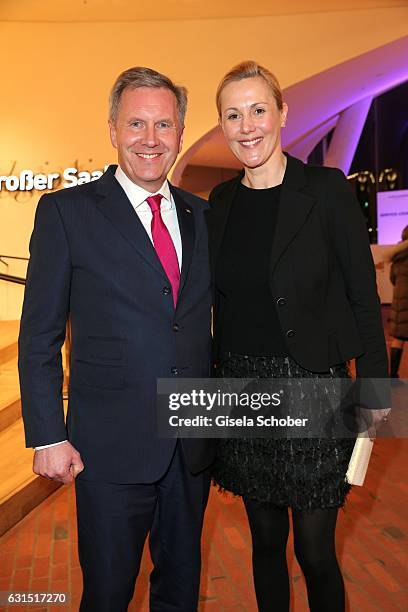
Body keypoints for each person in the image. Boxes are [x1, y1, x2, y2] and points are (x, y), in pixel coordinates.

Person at [18, 66, 215, 612]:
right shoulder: (66, 213)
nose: (150, 139)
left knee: (180, 594)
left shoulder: (203, 216)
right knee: (107, 595)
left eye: (163, 125)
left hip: (190, 444)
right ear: (111, 128)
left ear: (180, 131)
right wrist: (46, 436)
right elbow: (39, 335)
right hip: (107, 448)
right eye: (135, 124)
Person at [205, 61, 389, 612]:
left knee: (314, 549)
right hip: (244, 390)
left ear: (283, 113)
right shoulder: (220, 204)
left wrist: (376, 389)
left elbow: (363, 295)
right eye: (233, 115)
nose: (248, 126)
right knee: (265, 543)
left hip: (316, 389)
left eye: (259, 110)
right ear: (221, 124)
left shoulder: (326, 191)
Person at [388, 225, 408, 379]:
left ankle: (393, 374)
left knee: (398, 338)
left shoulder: (398, 256)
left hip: (400, 302)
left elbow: (393, 278)